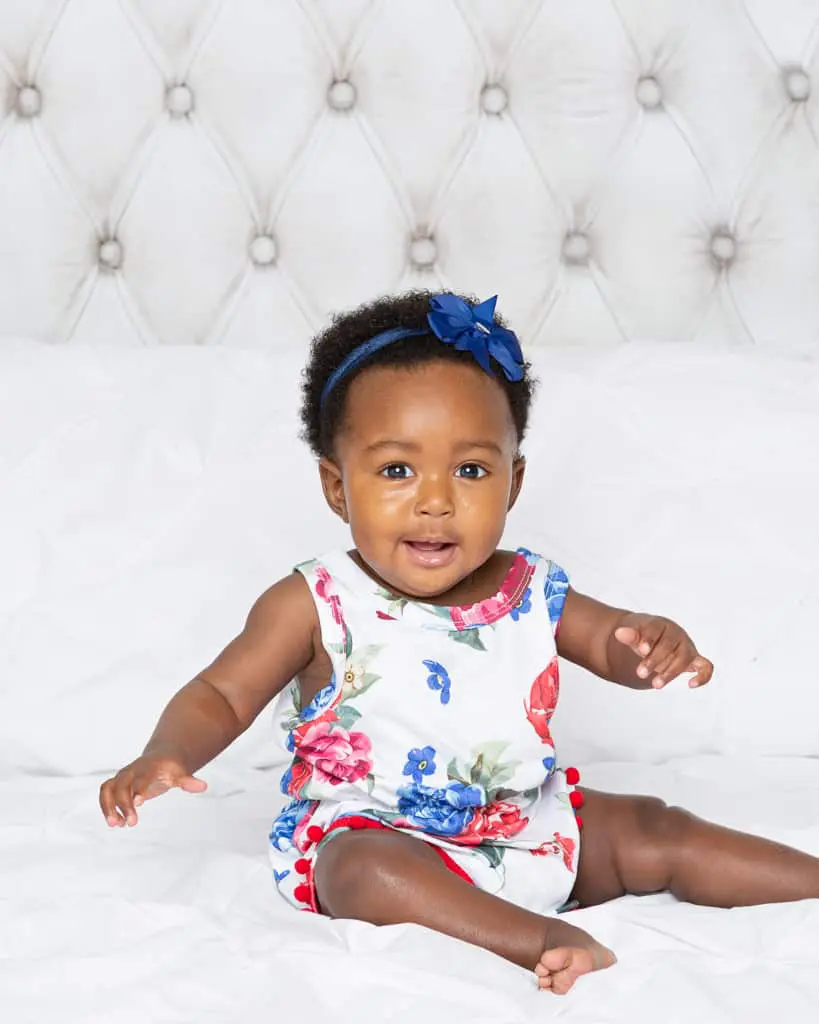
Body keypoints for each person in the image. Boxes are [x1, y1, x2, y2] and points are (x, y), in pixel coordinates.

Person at [99, 291, 819, 995]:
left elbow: (610, 644)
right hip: (379, 833)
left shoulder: (529, 587)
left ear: (512, 482)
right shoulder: (315, 603)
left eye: (470, 470)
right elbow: (221, 694)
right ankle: (537, 939)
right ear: (336, 487)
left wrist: (653, 648)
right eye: (396, 470)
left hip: (523, 820)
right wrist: (167, 753)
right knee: (363, 872)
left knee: (651, 826)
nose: (435, 499)